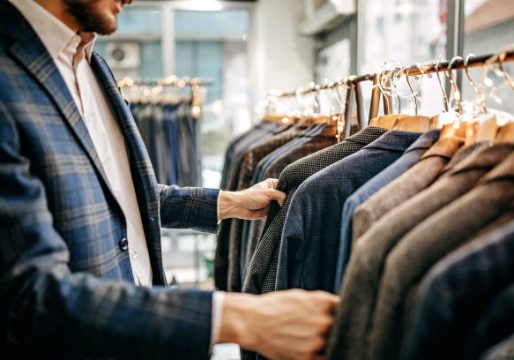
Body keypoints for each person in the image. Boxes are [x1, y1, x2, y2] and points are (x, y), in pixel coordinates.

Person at [0, 0, 339, 359]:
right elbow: (26, 295)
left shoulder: (91, 64)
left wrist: (229, 202)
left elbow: (119, 197)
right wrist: (237, 318)